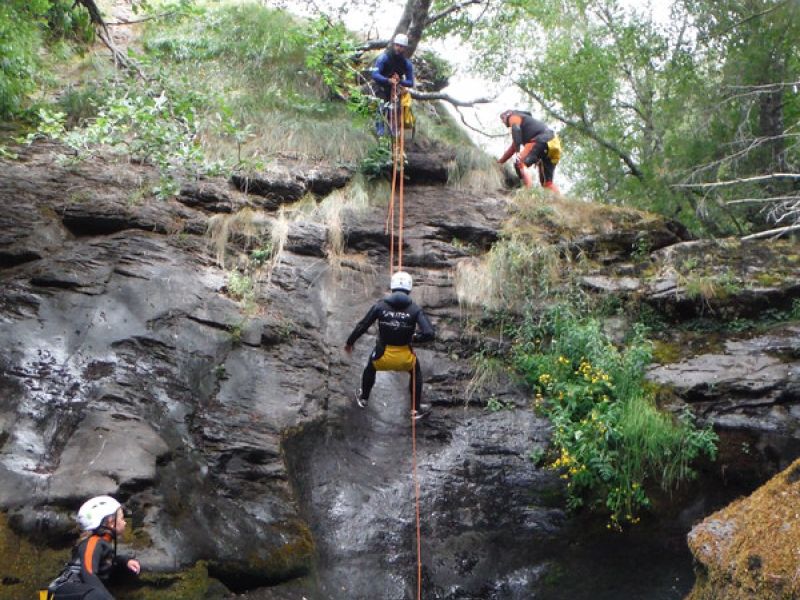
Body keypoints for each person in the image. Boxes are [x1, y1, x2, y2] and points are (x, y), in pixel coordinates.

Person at [345, 271, 434, 419]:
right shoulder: (415, 309)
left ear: (392, 287)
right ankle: (415, 410)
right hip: (405, 359)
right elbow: (429, 333)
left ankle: (364, 398)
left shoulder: (380, 306)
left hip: (382, 357)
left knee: (370, 367)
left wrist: (350, 343)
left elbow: (362, 326)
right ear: (409, 288)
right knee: (416, 373)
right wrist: (414, 338)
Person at [45, 495, 141, 599]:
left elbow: (110, 560)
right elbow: (89, 573)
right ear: (111, 522)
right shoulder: (92, 542)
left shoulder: (103, 543)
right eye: (122, 518)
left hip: (81, 593)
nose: (125, 522)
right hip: (61, 591)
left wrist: (125, 561)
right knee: (96, 593)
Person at [498, 109, 562, 194]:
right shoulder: (525, 124)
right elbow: (513, 148)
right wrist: (500, 161)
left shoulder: (513, 116)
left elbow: (516, 129)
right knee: (547, 183)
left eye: (502, 119)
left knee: (519, 163)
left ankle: (528, 191)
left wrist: (518, 152)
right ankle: (560, 201)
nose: (503, 122)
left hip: (541, 139)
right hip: (553, 144)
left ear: (507, 115)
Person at [370, 33, 414, 136]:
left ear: (405, 48)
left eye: (401, 46)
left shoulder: (406, 64)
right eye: (397, 45)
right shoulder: (384, 58)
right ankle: (380, 133)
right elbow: (375, 74)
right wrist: (388, 80)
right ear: (394, 45)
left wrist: (399, 81)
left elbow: (410, 82)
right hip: (381, 87)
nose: (399, 48)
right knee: (381, 108)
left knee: (394, 111)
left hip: (394, 89)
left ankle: (393, 134)